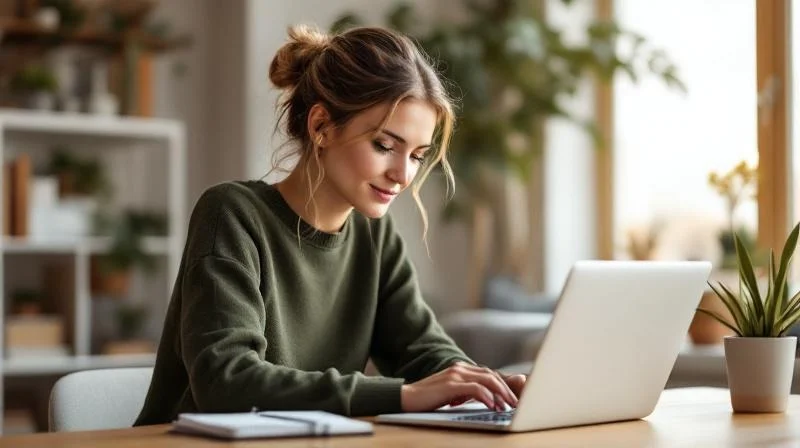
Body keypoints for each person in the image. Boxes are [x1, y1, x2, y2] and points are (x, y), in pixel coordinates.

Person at [134, 24, 526, 426]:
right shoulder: (232, 214)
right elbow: (226, 381)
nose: (403, 176)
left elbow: (422, 348)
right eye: (385, 146)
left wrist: (485, 387)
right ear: (321, 126)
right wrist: (403, 396)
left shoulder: (375, 236)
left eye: (417, 156)